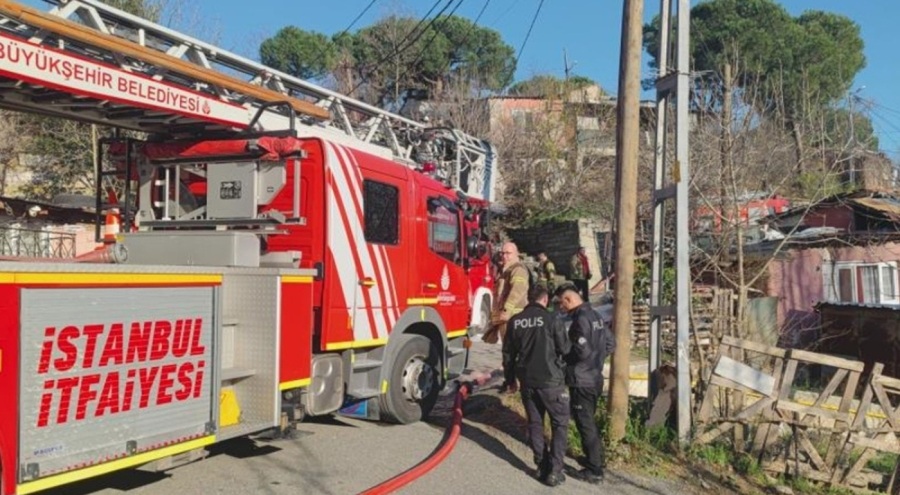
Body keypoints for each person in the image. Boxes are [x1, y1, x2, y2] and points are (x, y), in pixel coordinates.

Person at [502, 285, 571, 487]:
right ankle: (555, 471)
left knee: (535, 423)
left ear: (528, 299)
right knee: (559, 424)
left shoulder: (515, 321)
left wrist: (510, 380)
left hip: (527, 382)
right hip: (551, 382)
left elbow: (508, 355)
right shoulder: (552, 319)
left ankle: (541, 465)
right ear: (545, 299)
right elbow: (565, 348)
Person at [558, 287, 616, 484]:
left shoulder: (580, 320)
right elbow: (611, 343)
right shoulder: (596, 315)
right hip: (595, 377)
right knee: (589, 420)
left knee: (585, 423)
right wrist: (596, 361)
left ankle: (594, 469)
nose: (561, 307)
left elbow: (581, 351)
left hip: (582, 380)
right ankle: (597, 458)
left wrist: (566, 360)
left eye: (561, 303)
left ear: (569, 300)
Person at [483, 242, 529, 344]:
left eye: (508, 253)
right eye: (502, 253)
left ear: (516, 254)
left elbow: (517, 291)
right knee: (507, 349)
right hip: (506, 319)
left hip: (514, 318)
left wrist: (506, 310)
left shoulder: (518, 270)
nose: (504, 256)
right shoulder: (506, 270)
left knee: (513, 349)